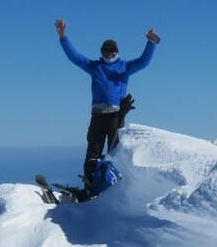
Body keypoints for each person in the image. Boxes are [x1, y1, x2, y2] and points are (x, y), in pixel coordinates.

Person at [55, 17, 160, 189]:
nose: (109, 56)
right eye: (105, 53)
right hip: (97, 115)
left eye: (111, 53)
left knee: (115, 153)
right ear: (102, 53)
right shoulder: (95, 66)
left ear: (116, 52)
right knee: (93, 152)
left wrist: (151, 42)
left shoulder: (124, 67)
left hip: (115, 116)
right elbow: (74, 56)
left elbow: (144, 62)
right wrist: (62, 36)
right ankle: (89, 184)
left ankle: (114, 188)